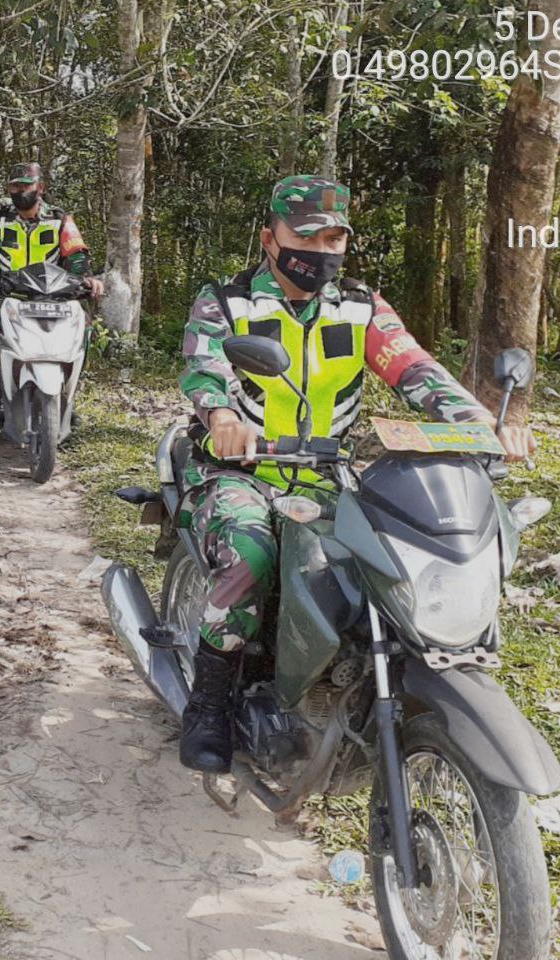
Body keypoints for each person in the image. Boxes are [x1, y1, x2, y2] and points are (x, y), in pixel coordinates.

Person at [176, 174, 536, 772]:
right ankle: (209, 704)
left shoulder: (361, 307)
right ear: (270, 239)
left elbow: (414, 367)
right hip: (241, 470)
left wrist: (480, 422)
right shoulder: (227, 300)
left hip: (328, 474)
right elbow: (205, 366)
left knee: (386, 563)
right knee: (250, 554)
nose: (321, 252)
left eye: (334, 240)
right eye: (307, 237)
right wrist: (220, 415)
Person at [0, 163, 103, 418]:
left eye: (26, 185)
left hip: (53, 295)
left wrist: (86, 278)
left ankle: (67, 398)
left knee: (83, 327)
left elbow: (76, 252)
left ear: (40, 188)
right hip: (9, 293)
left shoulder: (61, 220)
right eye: (15, 185)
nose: (20, 190)